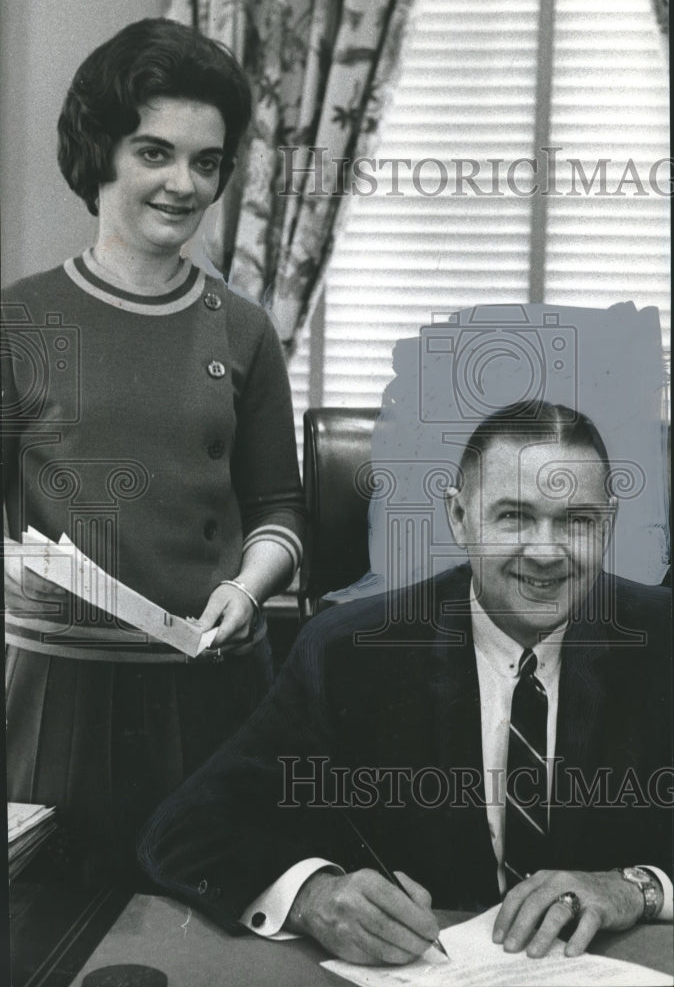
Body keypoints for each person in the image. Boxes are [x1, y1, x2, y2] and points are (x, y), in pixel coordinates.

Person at [138, 400, 671, 966]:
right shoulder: (348, 650)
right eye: (513, 517)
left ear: (607, 524)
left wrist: (639, 887)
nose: (545, 551)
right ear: (460, 516)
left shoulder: (661, 638)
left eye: (576, 521)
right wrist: (313, 897)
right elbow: (184, 829)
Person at [2, 18, 305, 882]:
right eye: (154, 153)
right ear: (101, 153)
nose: (183, 183)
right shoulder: (20, 322)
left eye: (206, 163)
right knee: (50, 934)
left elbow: (280, 511)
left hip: (216, 695)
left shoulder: (243, 330)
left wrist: (249, 592)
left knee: (217, 927)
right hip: (58, 698)